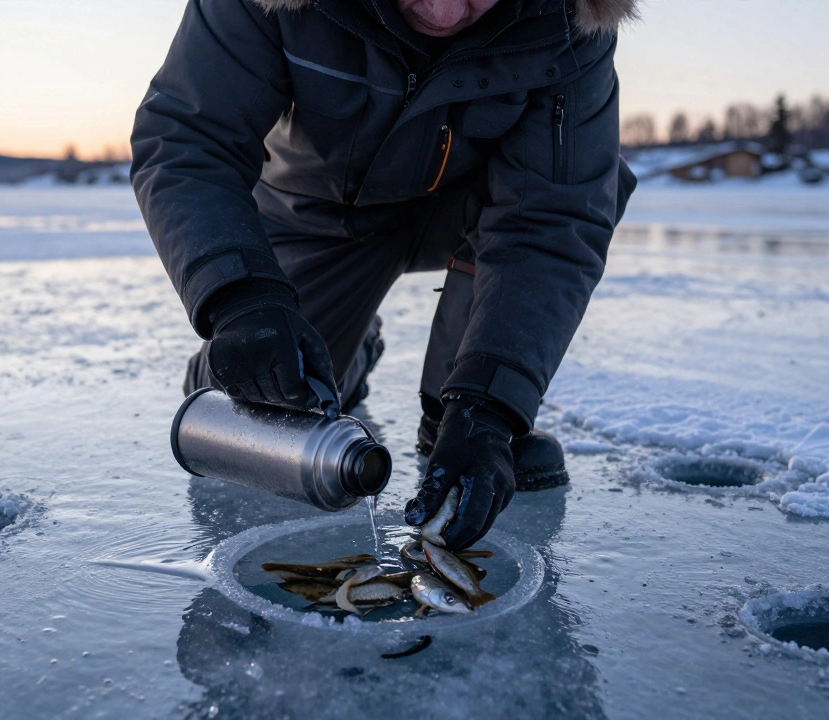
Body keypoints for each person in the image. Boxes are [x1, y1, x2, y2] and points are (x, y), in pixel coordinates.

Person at [131, 0, 638, 549]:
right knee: (251, 415)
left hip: (471, 213)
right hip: (319, 217)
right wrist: (240, 297)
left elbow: (553, 219)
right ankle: (342, 347)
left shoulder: (570, 20)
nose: (444, 13)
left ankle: (452, 406)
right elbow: (189, 141)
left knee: (599, 180)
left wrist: (491, 405)